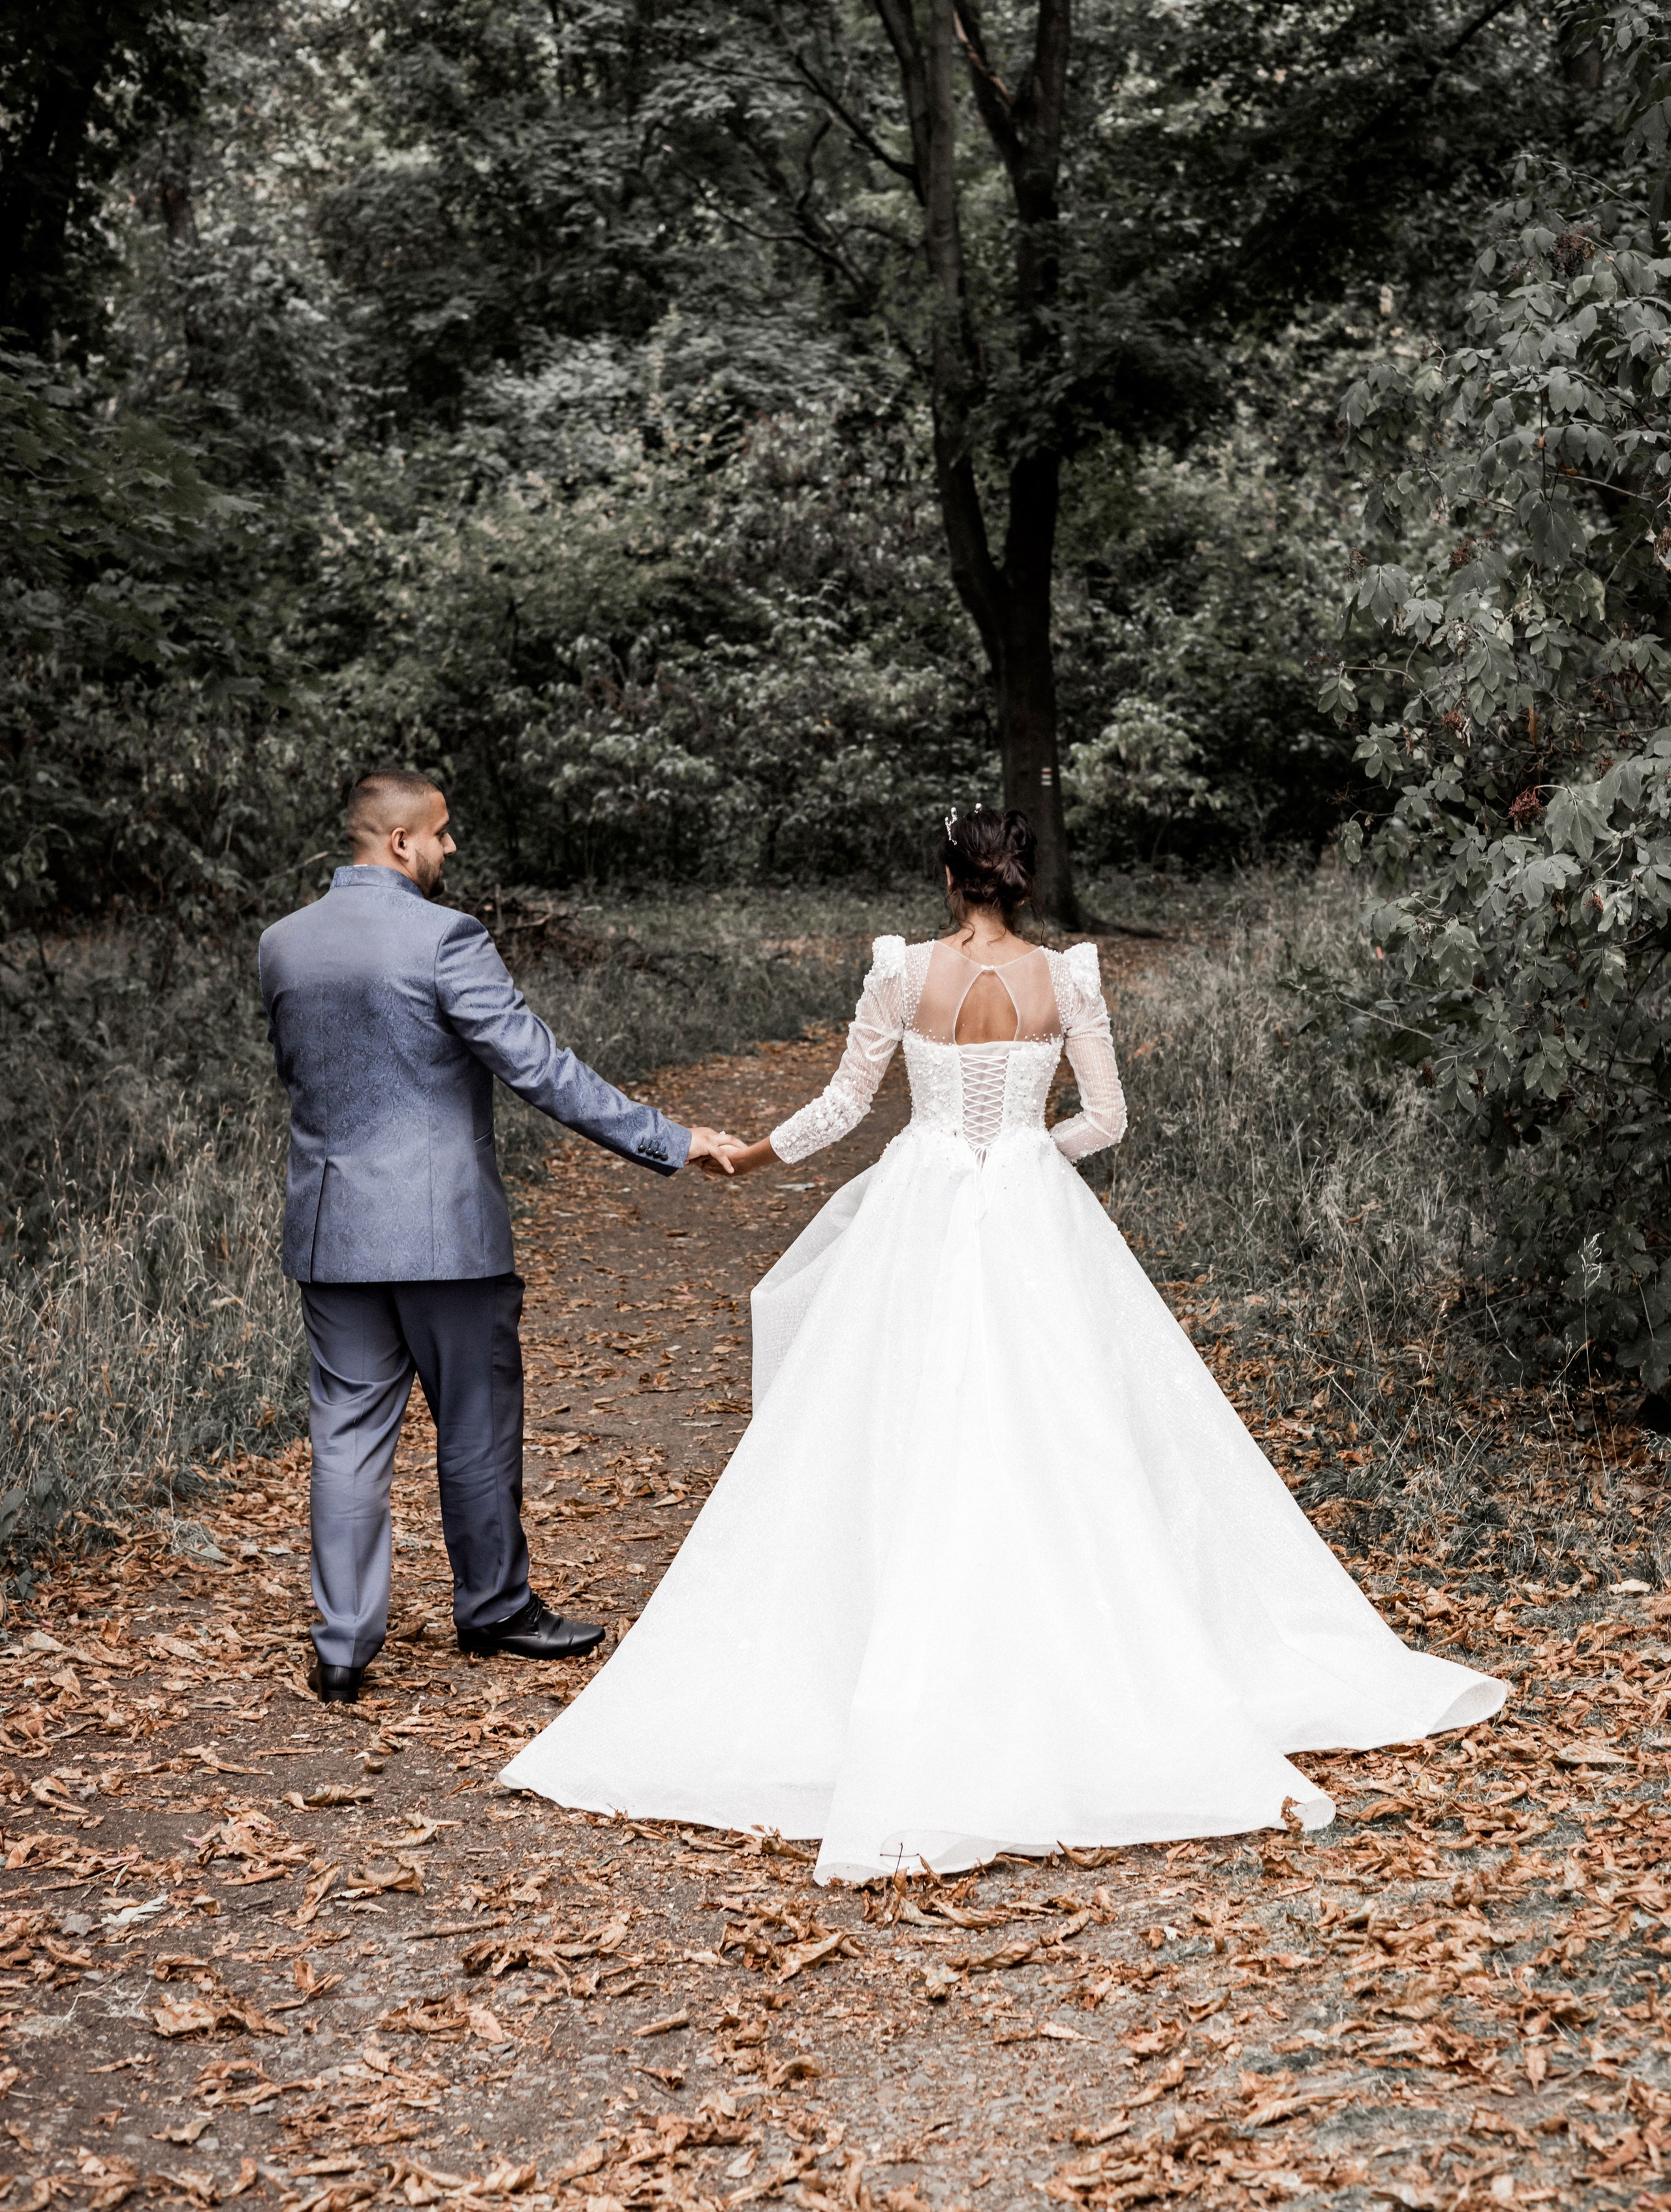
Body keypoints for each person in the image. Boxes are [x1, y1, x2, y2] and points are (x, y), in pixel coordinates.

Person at [502, 805, 1503, 1882]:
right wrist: (1031, 1153)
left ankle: (891, 1642)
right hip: (1029, 1205)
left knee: (898, 1418)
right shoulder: (1069, 978)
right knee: (1065, 1422)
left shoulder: (899, 971)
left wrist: (749, 1156)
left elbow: (846, 1105)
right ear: (1017, 883)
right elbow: (1108, 1119)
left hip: (919, 1201)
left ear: (948, 879)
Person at [258, 769, 740, 1705]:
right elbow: (540, 1067)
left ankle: (344, 1648)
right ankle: (494, 1607)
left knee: (346, 1436)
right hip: (446, 1236)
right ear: (400, 842)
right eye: (441, 834)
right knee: (474, 1423)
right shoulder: (445, 938)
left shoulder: (283, 944)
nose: (450, 849)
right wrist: (670, 1138)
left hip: (332, 1226)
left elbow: (298, 1074)